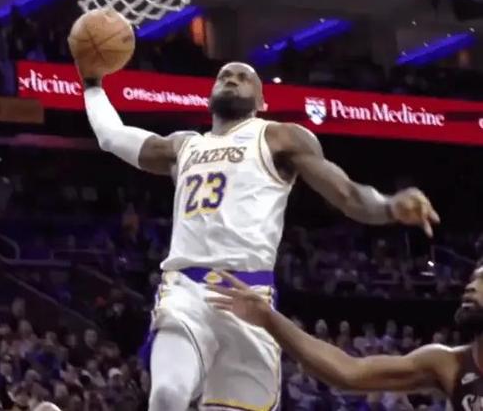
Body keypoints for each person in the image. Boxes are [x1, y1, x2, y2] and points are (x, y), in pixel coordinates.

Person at [76, 57, 438, 411]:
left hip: (250, 298)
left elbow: (346, 194)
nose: (232, 78)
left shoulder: (279, 137)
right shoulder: (184, 145)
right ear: (209, 96)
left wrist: (389, 206)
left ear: (263, 102)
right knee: (168, 394)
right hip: (187, 288)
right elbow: (112, 136)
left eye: (243, 76)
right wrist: (92, 85)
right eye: (224, 75)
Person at [206, 268, 483, 410]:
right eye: (472, 279)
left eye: (482, 281)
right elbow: (348, 371)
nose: (470, 286)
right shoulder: (448, 364)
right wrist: (269, 318)